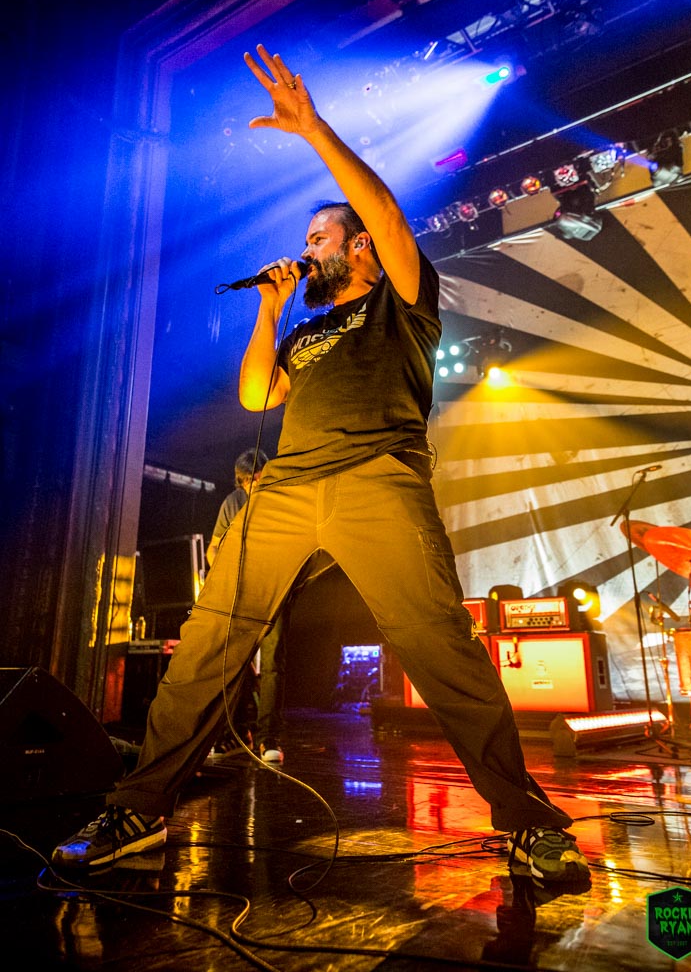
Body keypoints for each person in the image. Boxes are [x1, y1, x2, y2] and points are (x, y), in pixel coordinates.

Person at [53, 44, 590, 885]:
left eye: (318, 238)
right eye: (304, 240)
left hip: (380, 477)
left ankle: (527, 820)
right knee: (210, 640)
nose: (306, 250)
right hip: (286, 489)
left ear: (359, 244)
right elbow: (256, 395)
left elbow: (386, 212)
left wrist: (314, 130)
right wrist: (269, 309)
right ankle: (141, 807)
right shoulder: (306, 330)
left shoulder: (404, 299)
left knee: (439, 644)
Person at [206, 447, 287, 763]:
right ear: (241, 481)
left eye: (259, 477)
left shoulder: (281, 498)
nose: (255, 483)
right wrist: (225, 576)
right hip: (241, 595)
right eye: (249, 479)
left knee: (272, 665)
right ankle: (235, 733)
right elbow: (214, 549)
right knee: (234, 663)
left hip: (275, 590)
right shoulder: (232, 503)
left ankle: (268, 738)